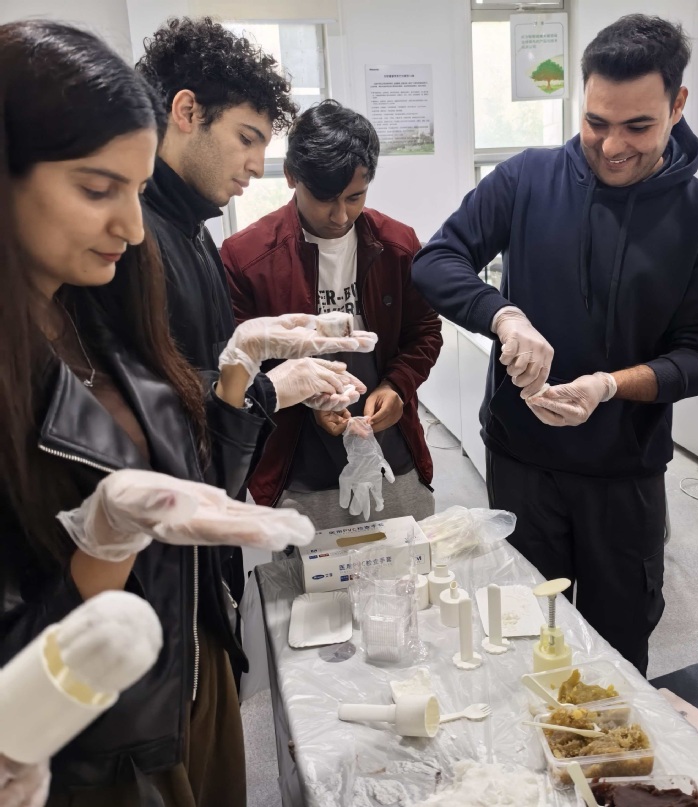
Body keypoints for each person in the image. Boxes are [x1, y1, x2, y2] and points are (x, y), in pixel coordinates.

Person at [0, 20, 367, 806]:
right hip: (97, 727)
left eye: (134, 192)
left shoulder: (108, 287)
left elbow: (191, 462)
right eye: (97, 189)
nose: (130, 228)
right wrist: (107, 538)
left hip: (179, 650)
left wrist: (241, 373)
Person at [411, 14, 698, 674]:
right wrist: (504, 316)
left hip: (624, 472)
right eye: (595, 121)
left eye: (637, 126)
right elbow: (436, 260)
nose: (612, 145)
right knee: (525, 634)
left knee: (616, 648)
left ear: (677, 105)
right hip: (522, 462)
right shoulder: (526, 179)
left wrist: (610, 385)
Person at [133, 18, 373, 600]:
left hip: (204, 527)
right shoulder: (135, 238)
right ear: (186, 111)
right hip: (161, 552)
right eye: (246, 138)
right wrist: (268, 388)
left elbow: (207, 367)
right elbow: (156, 410)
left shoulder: (192, 229)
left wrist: (266, 350)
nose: (255, 164)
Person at [222, 100, 442, 527]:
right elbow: (237, 365)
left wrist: (397, 386)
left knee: (409, 556)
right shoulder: (246, 258)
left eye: (355, 197)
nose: (341, 216)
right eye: (324, 199)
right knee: (307, 568)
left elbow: (425, 332)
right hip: (296, 463)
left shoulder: (397, 245)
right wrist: (305, 397)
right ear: (291, 176)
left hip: (391, 450)